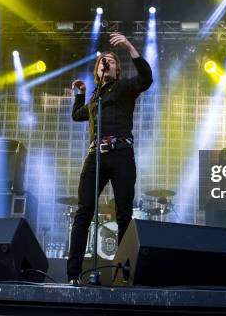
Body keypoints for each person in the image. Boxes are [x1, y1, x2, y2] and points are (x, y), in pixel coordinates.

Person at [67, 32, 153, 284]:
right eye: (103, 61)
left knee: (124, 213)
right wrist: (80, 95)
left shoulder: (125, 87)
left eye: (111, 61)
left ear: (116, 69)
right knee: (83, 212)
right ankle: (73, 275)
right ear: (98, 71)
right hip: (95, 157)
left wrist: (128, 47)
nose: (107, 63)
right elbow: (77, 115)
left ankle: (124, 276)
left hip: (121, 154)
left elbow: (147, 78)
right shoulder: (96, 98)